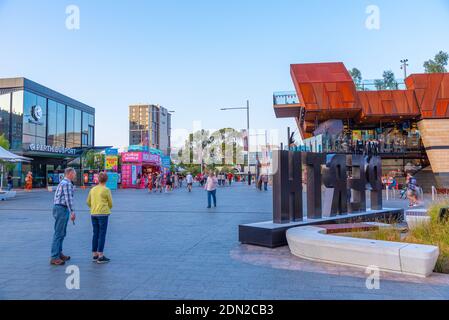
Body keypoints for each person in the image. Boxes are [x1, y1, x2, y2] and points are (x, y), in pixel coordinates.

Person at [50, 168, 77, 266]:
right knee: (59, 233)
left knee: (61, 232)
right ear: (69, 173)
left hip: (59, 208)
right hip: (62, 208)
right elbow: (68, 199)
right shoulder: (67, 183)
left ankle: (59, 253)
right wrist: (72, 212)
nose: (75, 176)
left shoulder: (63, 182)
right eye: (74, 174)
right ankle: (54, 257)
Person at [87, 172, 113, 264]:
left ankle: (94, 254)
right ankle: (100, 255)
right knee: (102, 234)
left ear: (98, 179)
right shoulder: (106, 190)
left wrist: (94, 207)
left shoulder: (92, 189)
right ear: (106, 180)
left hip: (93, 214)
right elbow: (110, 203)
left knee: (95, 233)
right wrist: (107, 208)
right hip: (103, 214)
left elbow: (88, 202)